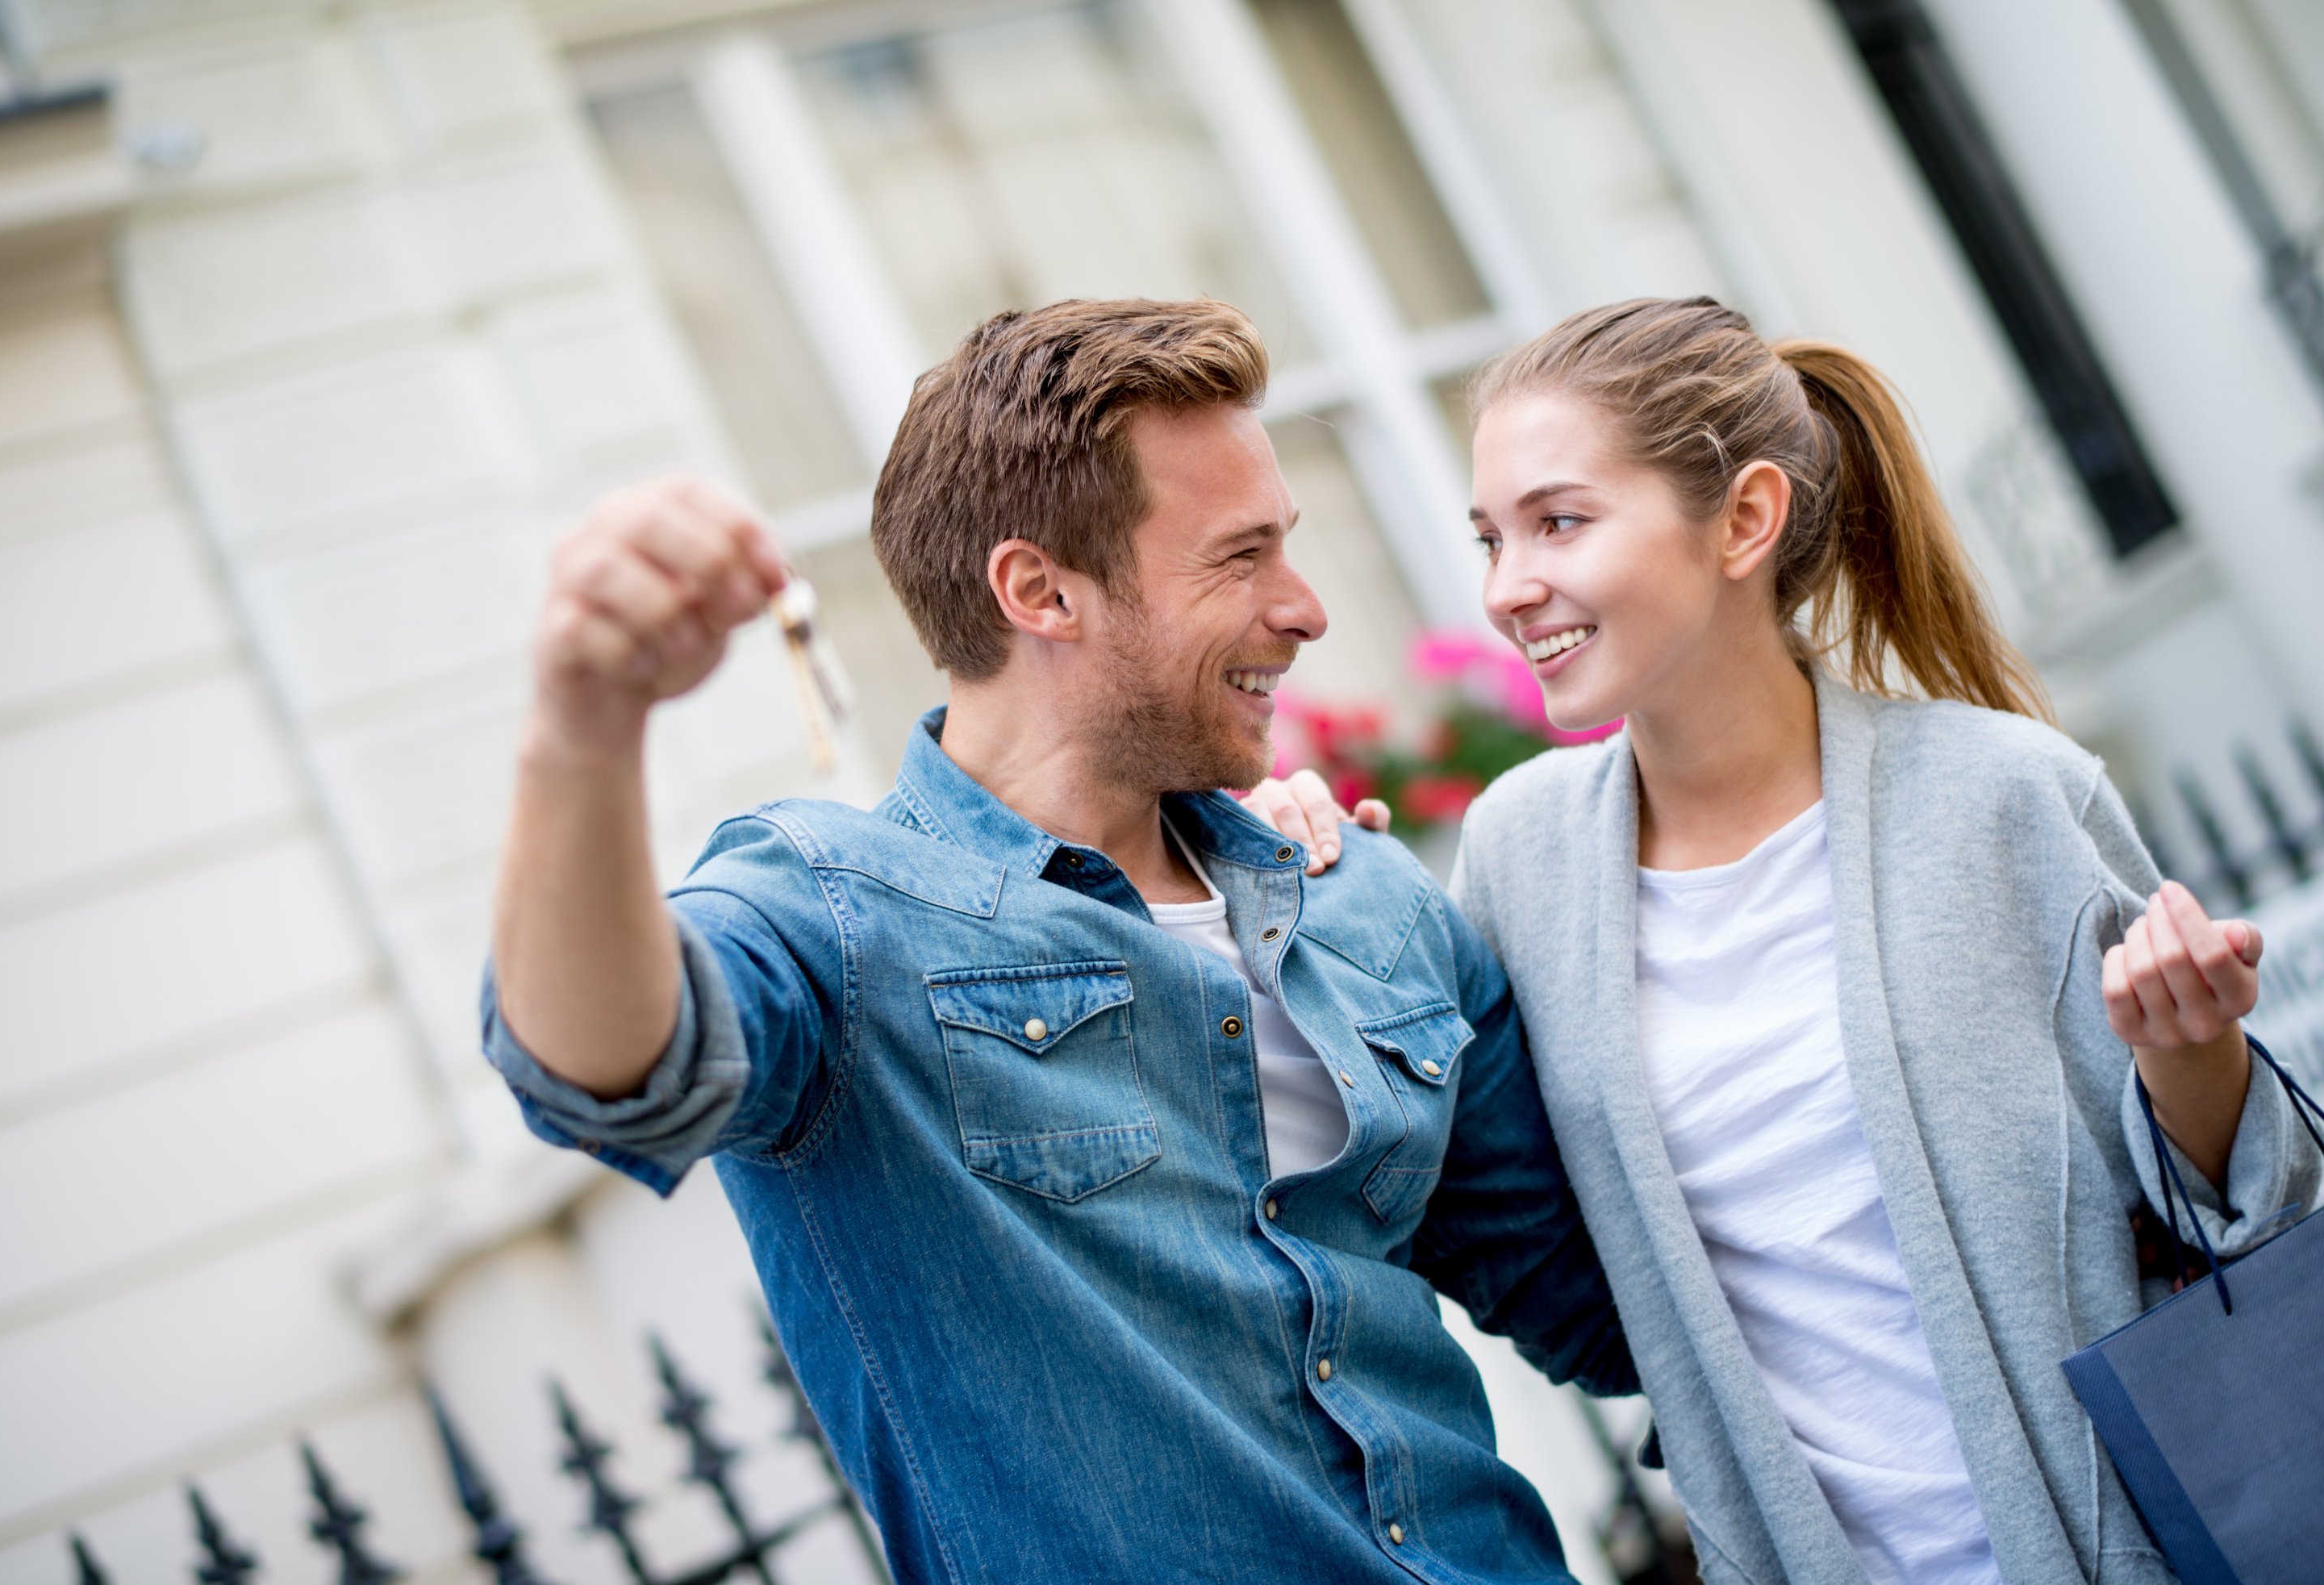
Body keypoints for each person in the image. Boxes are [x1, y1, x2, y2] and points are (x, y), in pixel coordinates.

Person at [480, 298, 1637, 1585]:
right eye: (1239, 557)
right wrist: (583, 731)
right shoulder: (838, 918)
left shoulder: (1361, 896)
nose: (1305, 608)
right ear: (1040, 590)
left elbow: (1624, 1306)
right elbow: (596, 1069)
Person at [1245, 297, 2319, 1584]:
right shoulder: (1520, 857)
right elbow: (1497, 1205)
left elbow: (2245, 1217)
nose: (1508, 585)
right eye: (1492, 537)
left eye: (1560, 521)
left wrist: (2190, 1051)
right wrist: (1331, 891)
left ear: (1745, 520)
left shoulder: (2006, 797)